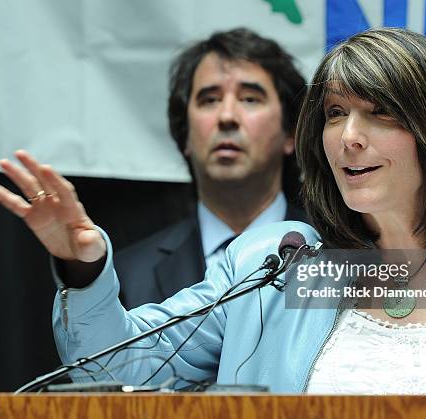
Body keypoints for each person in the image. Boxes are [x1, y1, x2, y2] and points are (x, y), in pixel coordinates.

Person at [0, 28, 426, 393]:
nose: (349, 137)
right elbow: (114, 369)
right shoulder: (279, 265)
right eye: (336, 113)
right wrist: (84, 266)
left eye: (379, 114)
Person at [113, 28, 307, 308]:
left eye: (250, 99)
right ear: (186, 135)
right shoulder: (127, 277)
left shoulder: (340, 258)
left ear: (291, 133)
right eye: (210, 100)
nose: (227, 117)